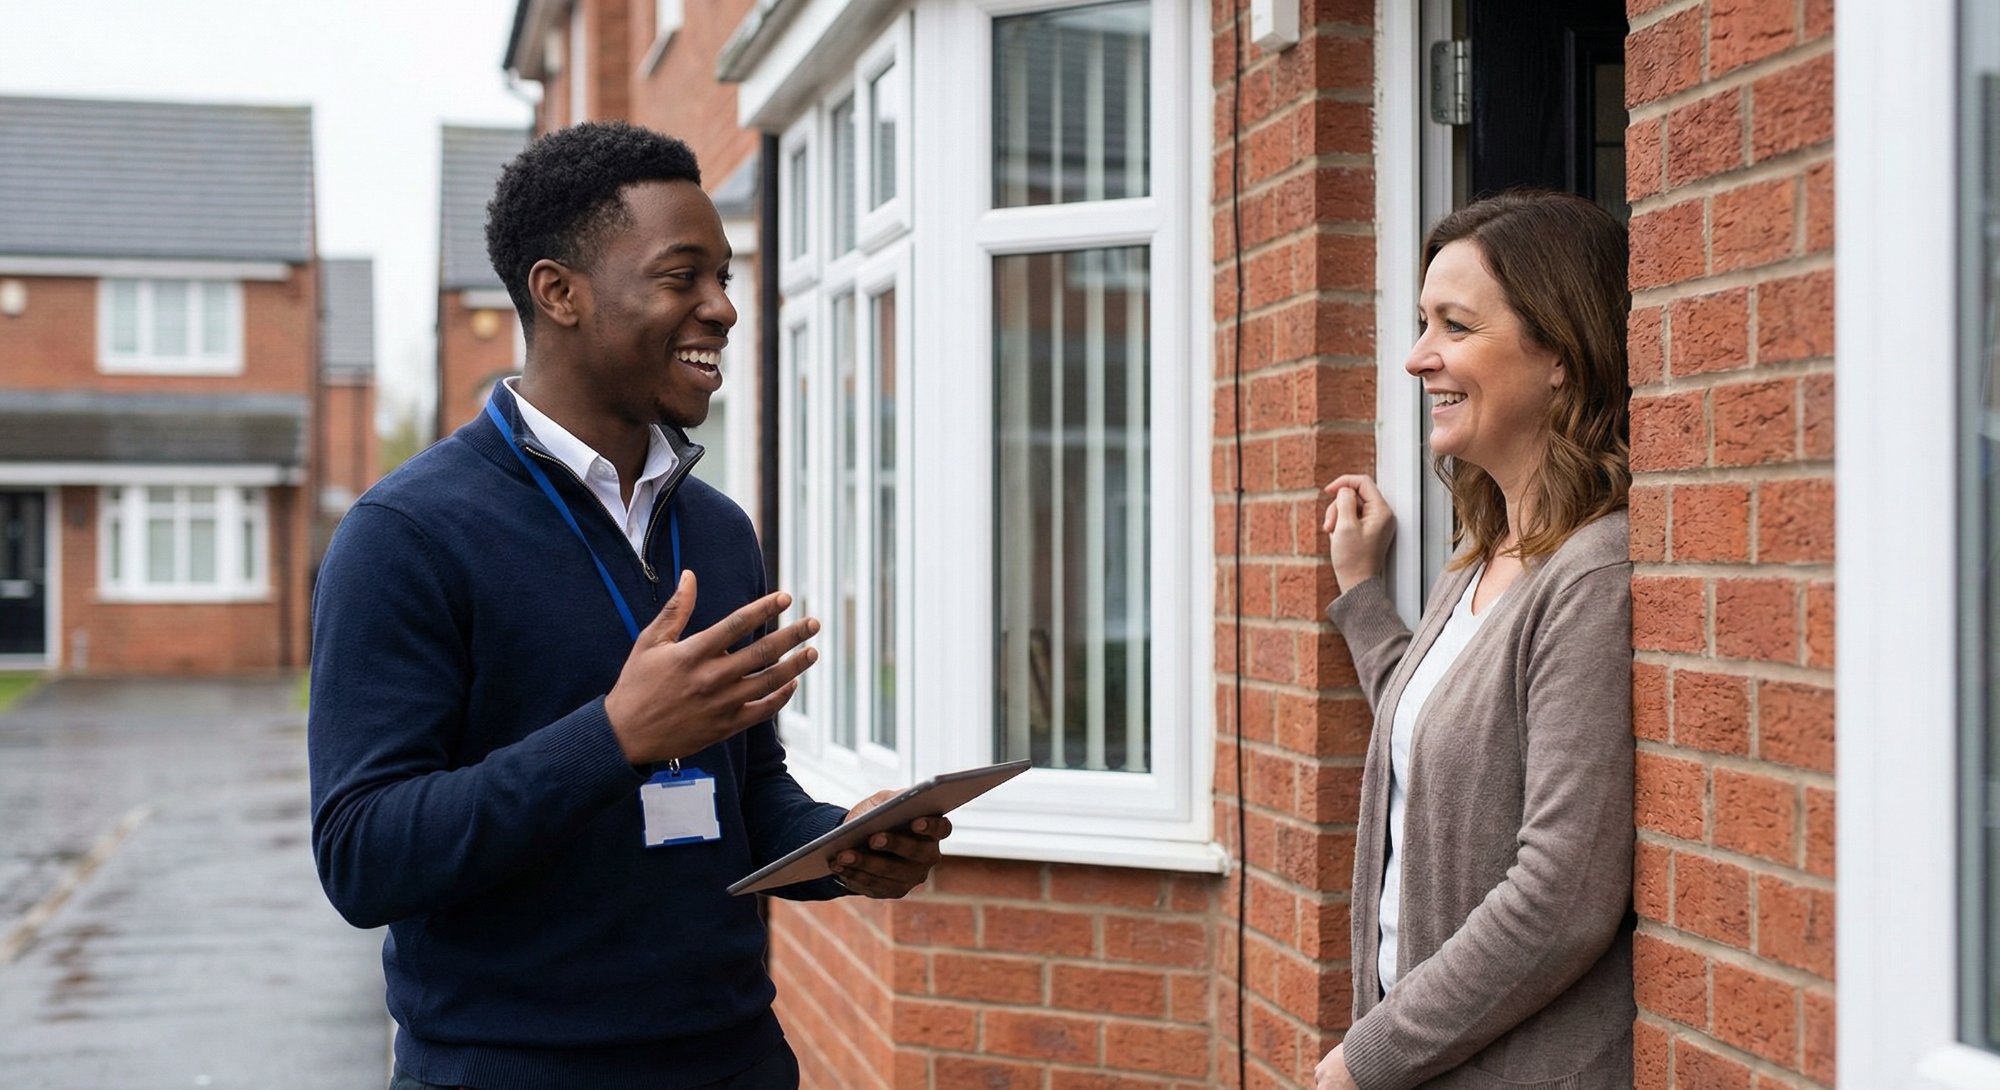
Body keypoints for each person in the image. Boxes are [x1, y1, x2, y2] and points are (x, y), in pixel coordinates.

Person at [307, 121, 948, 1090]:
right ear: (557, 291)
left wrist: (842, 847)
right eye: (681, 275)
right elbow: (362, 855)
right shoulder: (407, 533)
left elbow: (744, 793)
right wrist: (612, 734)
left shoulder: (719, 529)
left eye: (725, 276)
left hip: (732, 1060)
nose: (723, 308)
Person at [1312, 190, 1636, 1090]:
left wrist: (1364, 1060)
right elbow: (1450, 742)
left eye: (1455, 326)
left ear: (1562, 357)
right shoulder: (1483, 554)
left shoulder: (1592, 574)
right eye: (1423, 323)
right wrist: (1364, 596)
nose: (1419, 359)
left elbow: (1563, 897)